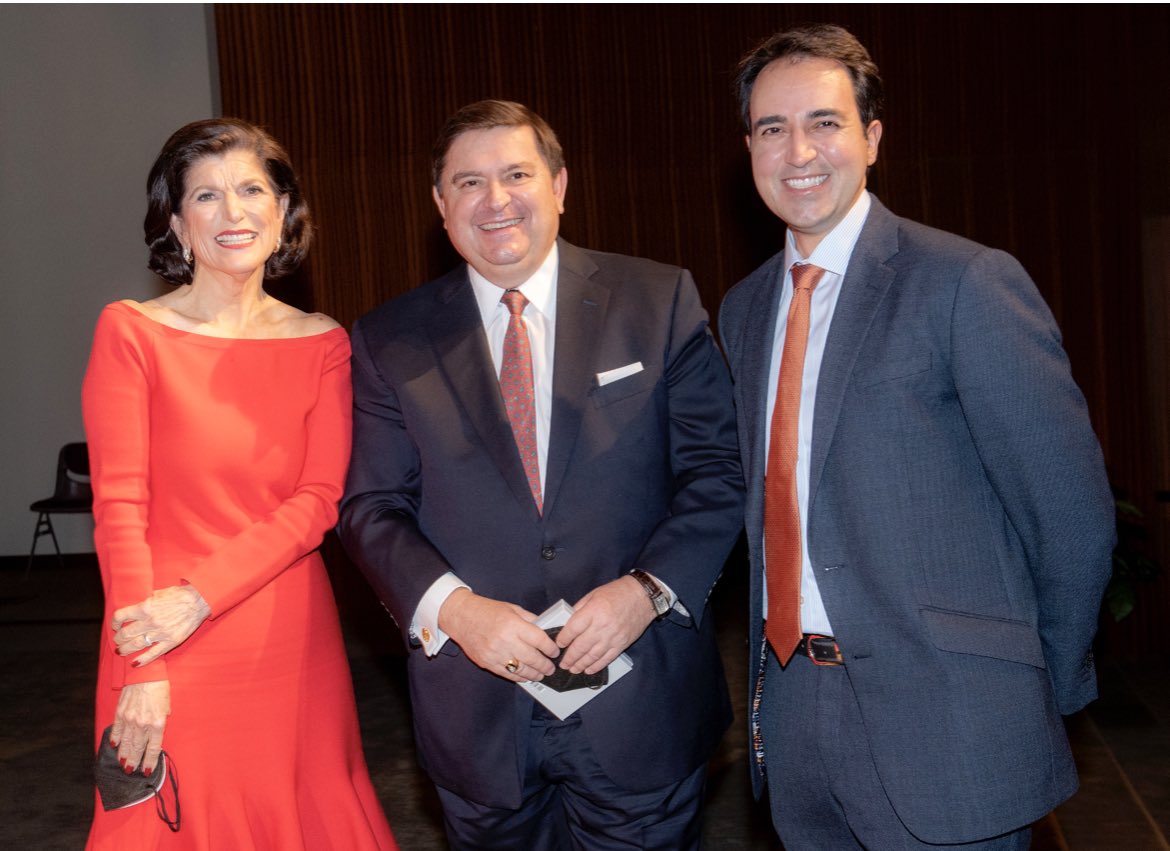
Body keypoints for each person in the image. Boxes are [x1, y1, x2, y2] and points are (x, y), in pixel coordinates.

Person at [718, 24, 1115, 850]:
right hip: (794, 714)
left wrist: (1029, 686)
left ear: (871, 137)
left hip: (951, 721)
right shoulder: (746, 309)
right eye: (771, 127)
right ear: (748, 145)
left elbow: (1068, 511)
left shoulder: (964, 282)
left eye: (824, 122)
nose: (798, 149)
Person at [339, 99, 744, 850]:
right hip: (478, 712)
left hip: (640, 694)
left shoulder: (659, 300)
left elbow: (718, 472)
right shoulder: (388, 338)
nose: (495, 200)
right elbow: (371, 505)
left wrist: (646, 591)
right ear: (440, 204)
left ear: (559, 183)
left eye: (517, 173)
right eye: (469, 182)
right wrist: (454, 609)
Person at [82, 118, 397, 850]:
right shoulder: (131, 331)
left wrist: (200, 597)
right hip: (155, 638)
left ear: (283, 212)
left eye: (253, 189)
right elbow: (119, 508)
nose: (235, 212)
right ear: (176, 222)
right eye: (207, 196)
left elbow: (318, 502)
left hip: (284, 635)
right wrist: (144, 661)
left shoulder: (324, 342)